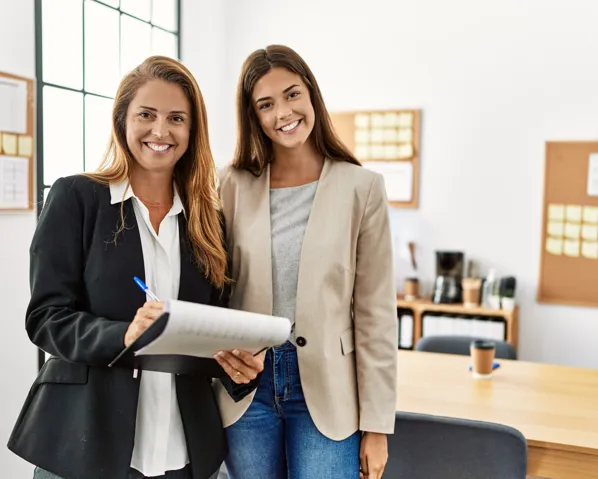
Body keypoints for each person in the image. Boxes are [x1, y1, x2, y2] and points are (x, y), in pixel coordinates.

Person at [7, 56, 263, 479]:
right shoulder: (77, 198)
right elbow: (45, 318)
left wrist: (236, 367)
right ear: (123, 119)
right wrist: (123, 334)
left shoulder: (207, 221)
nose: (160, 131)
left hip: (184, 448)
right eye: (147, 114)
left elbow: (207, 333)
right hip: (87, 443)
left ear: (192, 131)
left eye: (176, 118)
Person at [212, 45, 398, 479]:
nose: (284, 112)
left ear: (311, 94)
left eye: (292, 94)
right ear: (253, 116)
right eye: (266, 104)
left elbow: (375, 314)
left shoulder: (362, 188)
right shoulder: (231, 184)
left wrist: (377, 426)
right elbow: (213, 290)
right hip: (247, 390)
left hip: (329, 390)